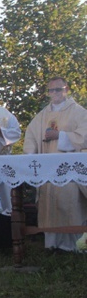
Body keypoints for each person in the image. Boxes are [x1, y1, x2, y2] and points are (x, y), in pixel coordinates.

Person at [23, 77, 87, 252]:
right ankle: (51, 245)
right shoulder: (42, 115)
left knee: (69, 204)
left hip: (69, 171)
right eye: (51, 90)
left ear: (66, 89)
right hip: (47, 171)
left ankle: (72, 246)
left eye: (58, 89)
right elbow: (30, 136)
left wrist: (61, 136)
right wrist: (30, 156)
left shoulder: (78, 112)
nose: (55, 93)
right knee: (50, 206)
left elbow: (85, 136)